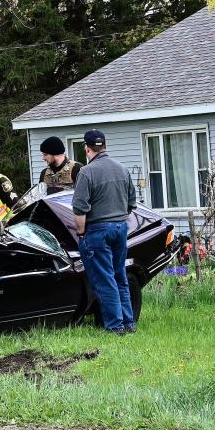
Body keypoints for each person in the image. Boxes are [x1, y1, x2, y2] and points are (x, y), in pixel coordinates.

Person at [71, 129, 138, 335]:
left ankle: (114, 326)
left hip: (98, 230)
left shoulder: (86, 173)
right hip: (120, 227)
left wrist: (81, 234)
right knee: (120, 276)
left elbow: (80, 209)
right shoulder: (122, 169)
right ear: (105, 146)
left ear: (86, 149)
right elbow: (131, 204)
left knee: (104, 278)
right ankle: (129, 323)